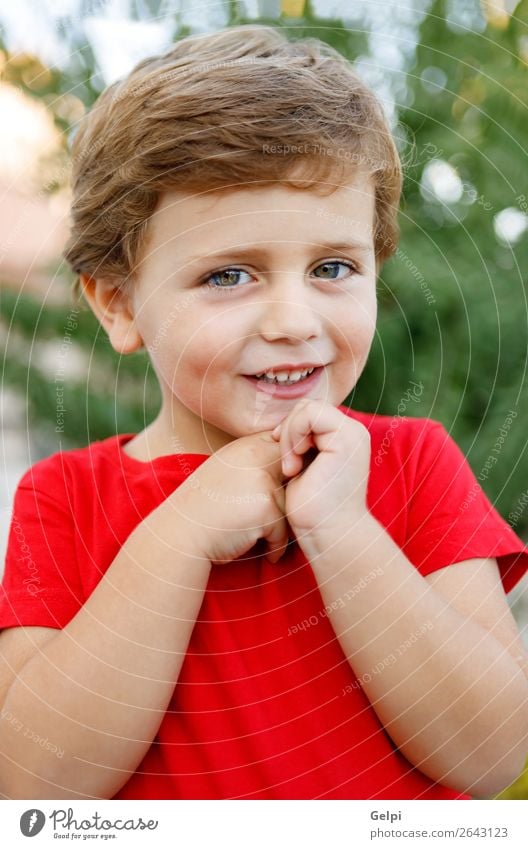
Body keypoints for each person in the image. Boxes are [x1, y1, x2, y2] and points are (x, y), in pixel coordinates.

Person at [0, 24, 527, 802]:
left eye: (333, 267)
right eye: (230, 274)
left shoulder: (414, 468)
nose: (293, 318)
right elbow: (32, 786)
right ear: (119, 304)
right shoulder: (65, 497)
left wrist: (343, 529)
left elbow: (489, 756)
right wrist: (179, 533)